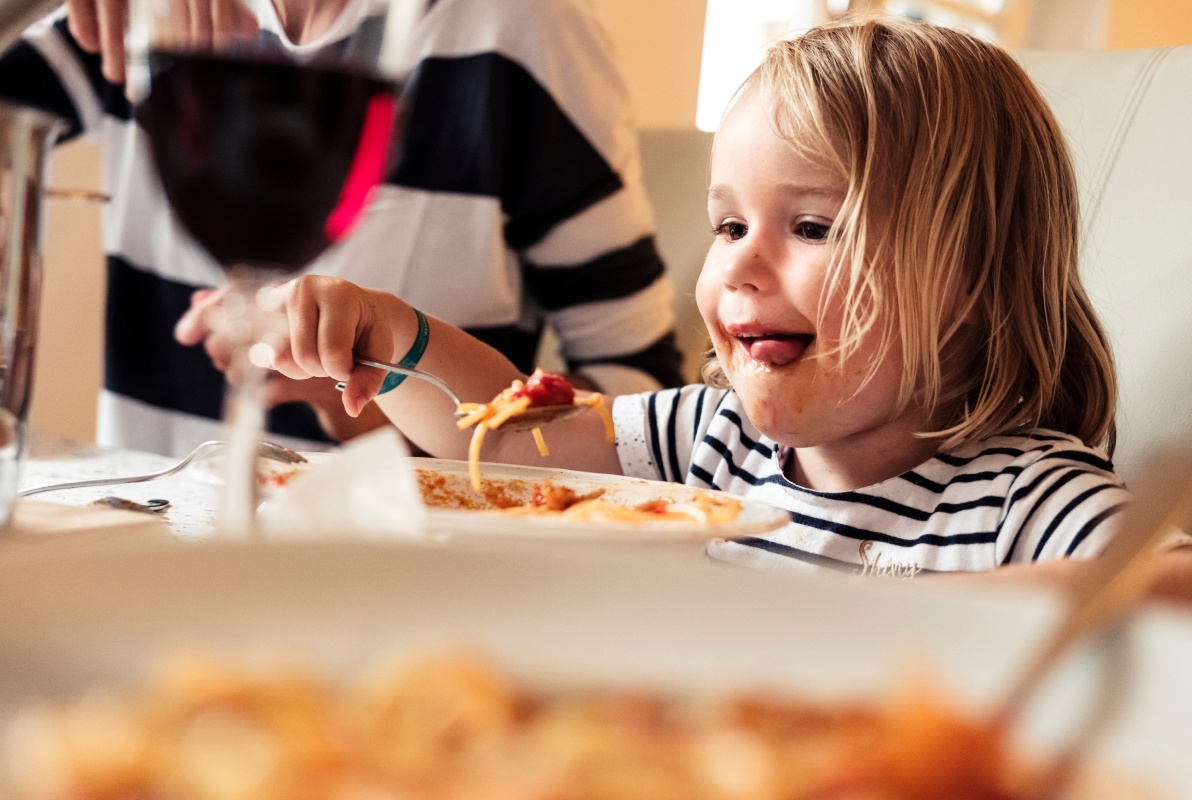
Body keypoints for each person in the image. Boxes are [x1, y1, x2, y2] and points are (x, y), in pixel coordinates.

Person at [255, 15, 1132, 575]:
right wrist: (392, 333)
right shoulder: (711, 439)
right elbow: (512, 438)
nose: (741, 265)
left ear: (970, 277)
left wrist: (918, 620)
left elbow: (1171, 589)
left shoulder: (1027, 502)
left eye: (813, 227)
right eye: (728, 226)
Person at [0, 0, 685, 455]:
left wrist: (386, 415)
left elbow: (641, 405)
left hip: (405, 585)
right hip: (143, 557)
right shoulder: (138, 13)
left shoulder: (524, 25)